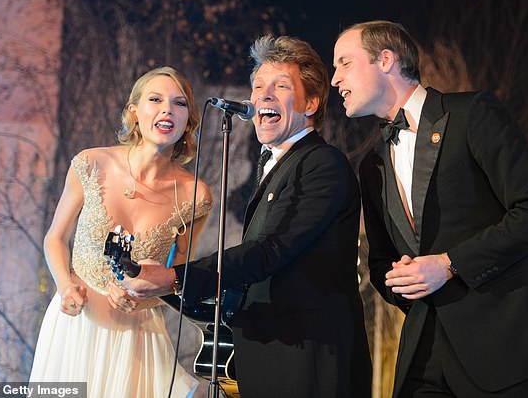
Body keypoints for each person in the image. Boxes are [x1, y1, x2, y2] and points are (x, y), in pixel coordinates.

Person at [122, 35, 372, 398]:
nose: (263, 96)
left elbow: (269, 251)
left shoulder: (322, 164)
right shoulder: (277, 164)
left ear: (312, 102)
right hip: (273, 359)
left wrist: (176, 276)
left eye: (281, 86)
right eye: (258, 86)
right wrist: (168, 285)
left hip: (309, 363)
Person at [331, 20, 528, 397]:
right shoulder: (370, 165)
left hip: (498, 345)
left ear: (386, 59)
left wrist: (448, 264)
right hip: (423, 352)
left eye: (344, 63)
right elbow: (380, 263)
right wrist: (403, 283)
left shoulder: (473, 114)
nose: (334, 79)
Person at [29, 66, 212, 397]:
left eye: (179, 103)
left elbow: (176, 277)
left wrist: (142, 301)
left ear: (189, 122)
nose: (167, 109)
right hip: (77, 325)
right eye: (155, 99)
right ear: (134, 112)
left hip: (137, 333)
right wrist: (66, 286)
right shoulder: (91, 163)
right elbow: (55, 238)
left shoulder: (194, 195)